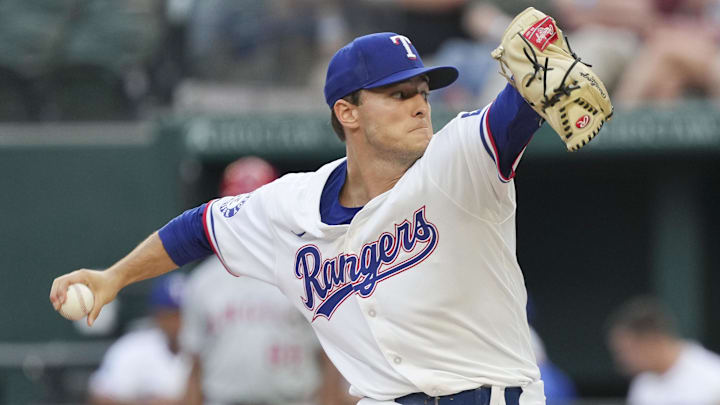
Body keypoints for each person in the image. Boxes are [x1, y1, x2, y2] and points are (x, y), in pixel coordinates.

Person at [52, 23, 581, 404]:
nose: (420, 106)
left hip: (490, 396)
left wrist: (537, 67)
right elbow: (199, 229)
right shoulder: (290, 206)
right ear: (347, 112)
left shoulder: (458, 160)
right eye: (398, 94)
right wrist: (113, 276)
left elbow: (509, 119)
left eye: (422, 92)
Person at [182, 156, 354, 405]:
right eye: (238, 205)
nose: (246, 217)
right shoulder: (204, 280)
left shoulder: (305, 271)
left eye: (253, 206)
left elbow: (330, 356)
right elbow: (195, 364)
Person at [88, 274, 190, 404]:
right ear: (158, 315)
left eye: (183, 314)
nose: (178, 323)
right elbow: (101, 397)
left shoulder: (209, 349)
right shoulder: (134, 347)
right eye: (171, 315)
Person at [607, 296, 720, 405]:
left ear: (651, 340)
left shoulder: (713, 377)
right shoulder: (642, 384)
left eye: (626, 351)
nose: (622, 360)